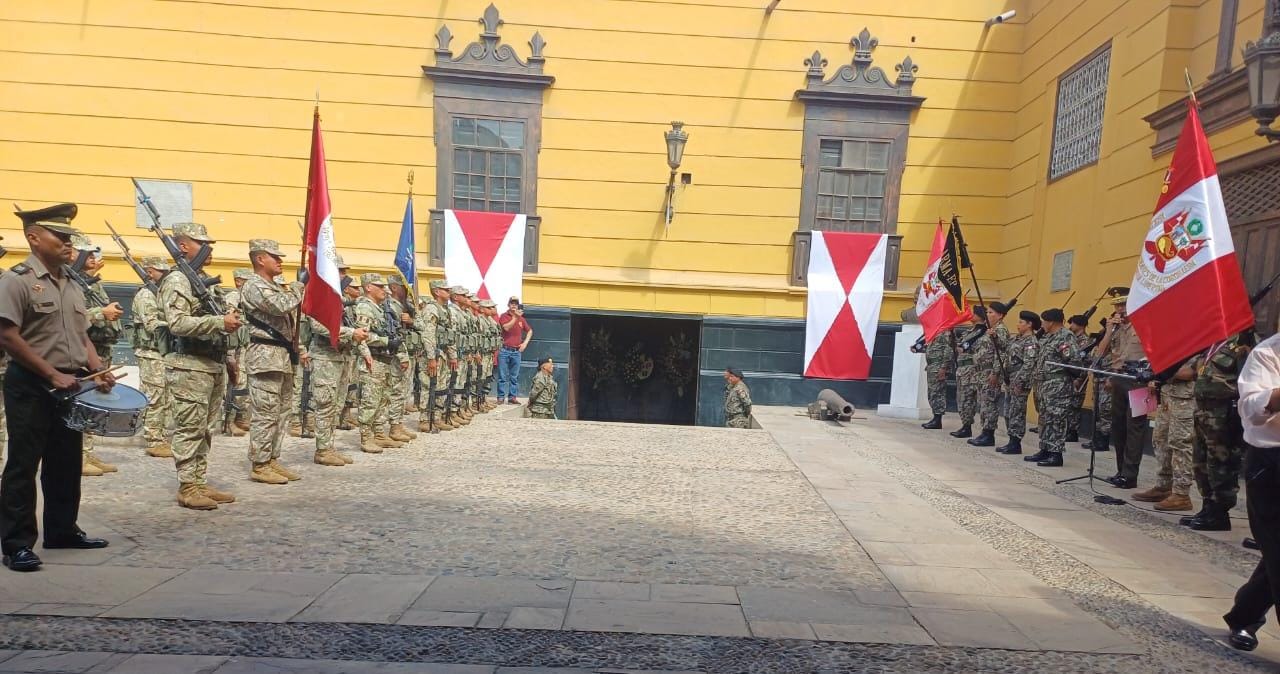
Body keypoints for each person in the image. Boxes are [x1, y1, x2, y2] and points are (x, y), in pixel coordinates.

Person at [0, 203, 115, 571]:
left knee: (66, 461)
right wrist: (50, 374)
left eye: (69, 237)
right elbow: (7, 335)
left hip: (71, 384)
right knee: (23, 463)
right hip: (32, 383)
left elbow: (81, 336)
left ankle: (62, 530)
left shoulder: (71, 282)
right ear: (34, 238)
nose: (69, 244)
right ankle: (17, 543)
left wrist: (97, 368)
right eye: (60, 237)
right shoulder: (16, 280)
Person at [160, 222, 241, 511]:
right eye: (200, 243)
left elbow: (219, 324)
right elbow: (178, 323)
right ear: (183, 246)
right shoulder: (178, 280)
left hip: (210, 362)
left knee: (205, 428)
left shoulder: (200, 279)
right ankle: (187, 487)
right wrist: (220, 322)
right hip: (188, 364)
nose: (209, 249)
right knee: (189, 427)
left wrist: (229, 358)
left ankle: (198, 480)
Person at [1221, 330, 1280, 651]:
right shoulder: (1268, 353)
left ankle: (1244, 615)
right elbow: (1252, 410)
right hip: (1271, 463)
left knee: (1276, 553)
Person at [240, 239, 306, 485]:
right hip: (265, 357)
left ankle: (271, 458)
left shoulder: (276, 286)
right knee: (265, 412)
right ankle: (259, 463)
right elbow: (280, 307)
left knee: (281, 412)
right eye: (274, 257)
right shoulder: (254, 286)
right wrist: (299, 287)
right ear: (260, 259)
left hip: (282, 356)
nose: (280, 261)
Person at [1185, 330, 1255, 530]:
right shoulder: (1214, 341)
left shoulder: (1243, 340)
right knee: (1200, 460)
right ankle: (1207, 505)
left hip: (1223, 410)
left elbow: (1247, 377)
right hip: (1203, 408)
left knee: (1220, 461)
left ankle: (1219, 512)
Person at [71, 233, 125, 477]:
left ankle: (87, 452)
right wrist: (101, 313)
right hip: (85, 350)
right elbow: (73, 318)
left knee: (95, 403)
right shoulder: (70, 283)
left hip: (101, 349)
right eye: (88, 253)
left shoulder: (89, 281)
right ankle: (78, 457)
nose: (94, 258)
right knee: (83, 402)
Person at [307, 256, 369, 466]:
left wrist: (363, 349)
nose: (345, 277)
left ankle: (328, 446)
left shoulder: (340, 300)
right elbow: (319, 326)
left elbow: (352, 327)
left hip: (341, 357)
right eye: (340, 272)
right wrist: (351, 333)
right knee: (325, 403)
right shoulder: (320, 296)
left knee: (336, 403)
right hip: (325, 357)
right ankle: (322, 450)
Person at [1094, 295, 1149, 488]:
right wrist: (1109, 330)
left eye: (1123, 306)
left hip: (1140, 381)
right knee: (1118, 427)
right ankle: (1120, 470)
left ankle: (1130, 474)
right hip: (1119, 378)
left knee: (1135, 427)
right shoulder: (1117, 329)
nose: (1120, 310)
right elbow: (1100, 353)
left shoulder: (1145, 324)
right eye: (1117, 307)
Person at [1131, 358, 1196, 511]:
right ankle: (1163, 487)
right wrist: (1156, 379)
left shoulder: (1198, 343)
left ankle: (1181, 494)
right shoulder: (1175, 344)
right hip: (1167, 397)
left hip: (1184, 400)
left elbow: (1190, 372)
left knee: (1180, 444)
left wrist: (1159, 371)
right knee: (1160, 440)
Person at [354, 273, 403, 453]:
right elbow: (362, 335)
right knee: (370, 400)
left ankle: (379, 434)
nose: (385, 290)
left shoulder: (379, 308)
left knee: (383, 398)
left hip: (384, 359)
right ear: (368, 287)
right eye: (380, 286)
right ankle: (366, 438)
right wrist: (385, 342)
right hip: (372, 358)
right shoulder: (365, 308)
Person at [1024, 309, 1080, 466]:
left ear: (1051, 322)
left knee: (1056, 419)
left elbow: (1074, 361)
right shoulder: (1048, 337)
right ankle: (1045, 449)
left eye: (1043, 321)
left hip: (1058, 385)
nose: (1041, 324)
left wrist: (1069, 379)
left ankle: (1056, 453)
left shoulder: (1065, 336)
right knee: (1045, 418)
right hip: (1044, 385)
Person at [132, 256, 173, 458]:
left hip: (162, 353)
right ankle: (153, 439)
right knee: (154, 396)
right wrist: (179, 323)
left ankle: (160, 436)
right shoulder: (146, 295)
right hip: (150, 353)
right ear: (149, 272)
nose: (165, 276)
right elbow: (152, 324)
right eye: (161, 272)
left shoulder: (161, 294)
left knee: (165, 397)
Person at [968, 301, 1010, 447]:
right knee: (984, 403)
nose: (988, 315)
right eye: (988, 312)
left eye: (991, 312)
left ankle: (989, 434)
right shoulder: (990, 329)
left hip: (991, 372)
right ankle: (984, 432)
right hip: (982, 372)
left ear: (1000, 315)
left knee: (990, 404)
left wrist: (995, 373)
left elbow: (1002, 353)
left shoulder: (1000, 330)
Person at [998, 310, 1040, 455]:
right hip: (1010, 378)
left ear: (1029, 325)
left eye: (1021, 322)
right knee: (1009, 411)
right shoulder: (1017, 339)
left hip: (1019, 381)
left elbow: (1029, 364)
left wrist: (1020, 381)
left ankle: (1016, 442)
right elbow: (1005, 349)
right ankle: (1011, 440)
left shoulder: (1031, 342)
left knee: (1017, 412)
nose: (1018, 325)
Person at [384, 275, 416, 443]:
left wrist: (411, 321)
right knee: (395, 391)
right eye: (404, 287)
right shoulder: (390, 306)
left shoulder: (403, 307)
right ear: (395, 288)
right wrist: (403, 356)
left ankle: (397, 423)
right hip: (395, 354)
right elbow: (393, 333)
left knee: (401, 391)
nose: (408, 290)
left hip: (403, 351)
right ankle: (393, 427)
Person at [421, 280, 456, 432]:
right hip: (432, 354)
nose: (449, 293)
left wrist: (452, 355)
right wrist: (431, 358)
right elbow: (428, 334)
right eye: (445, 290)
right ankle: (424, 419)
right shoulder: (431, 309)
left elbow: (449, 335)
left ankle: (436, 416)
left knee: (441, 387)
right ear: (437, 291)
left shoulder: (444, 310)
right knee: (428, 385)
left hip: (442, 354)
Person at [223, 269, 252, 437]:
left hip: (246, 346)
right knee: (235, 383)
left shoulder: (248, 300)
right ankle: (229, 420)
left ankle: (240, 417)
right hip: (234, 348)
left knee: (245, 383)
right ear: (239, 281)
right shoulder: (233, 298)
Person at [951, 308, 986, 439]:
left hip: (971, 369)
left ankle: (968, 427)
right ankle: (965, 426)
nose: (971, 315)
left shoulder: (982, 331)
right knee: (962, 398)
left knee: (968, 399)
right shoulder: (970, 331)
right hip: (962, 369)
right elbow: (959, 345)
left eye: (974, 313)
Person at [498, 297, 532, 404]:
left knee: (514, 376)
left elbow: (530, 331)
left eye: (516, 304)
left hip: (516, 351)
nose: (514, 305)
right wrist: (515, 317)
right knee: (502, 376)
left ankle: (512, 396)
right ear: (508, 305)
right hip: (505, 350)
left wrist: (525, 343)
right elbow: (506, 328)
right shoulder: (504, 316)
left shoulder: (522, 319)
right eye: (512, 303)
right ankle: (500, 397)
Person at [920, 328, 953, 430]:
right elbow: (933, 348)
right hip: (932, 366)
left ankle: (937, 420)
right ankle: (935, 418)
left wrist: (943, 368)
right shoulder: (935, 330)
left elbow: (948, 350)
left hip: (938, 366)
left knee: (937, 393)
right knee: (932, 393)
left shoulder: (946, 332)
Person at [1066, 314, 1091, 445]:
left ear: (1080, 325)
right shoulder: (1073, 339)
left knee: (1075, 404)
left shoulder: (1085, 341)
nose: (1070, 326)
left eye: (1073, 323)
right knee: (1069, 404)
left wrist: (1079, 377)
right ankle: (1068, 429)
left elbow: (1085, 362)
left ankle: (1073, 431)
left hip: (1078, 377)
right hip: (1070, 376)